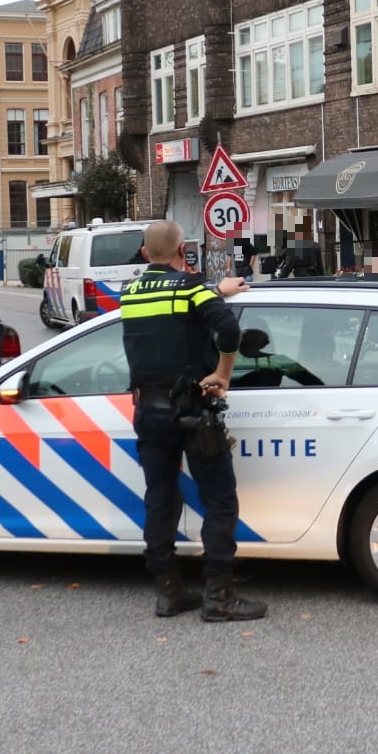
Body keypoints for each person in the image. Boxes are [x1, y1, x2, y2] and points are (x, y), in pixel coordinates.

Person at [119, 218, 268, 623]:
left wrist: (214, 290)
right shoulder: (190, 289)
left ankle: (169, 593)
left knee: (160, 499)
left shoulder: (129, 293)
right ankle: (219, 597)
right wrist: (223, 374)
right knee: (219, 499)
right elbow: (228, 330)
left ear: (145, 253)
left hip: (149, 412)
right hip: (193, 411)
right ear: (183, 250)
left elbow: (172, 309)